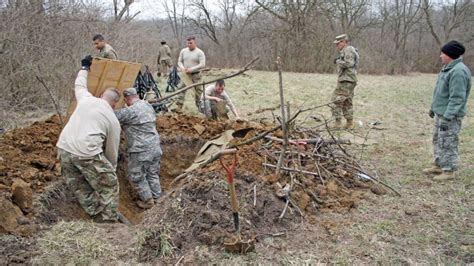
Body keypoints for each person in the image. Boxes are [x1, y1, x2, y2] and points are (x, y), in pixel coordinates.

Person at [56, 56, 127, 224]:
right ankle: (110, 223)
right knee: (110, 185)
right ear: (115, 104)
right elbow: (111, 151)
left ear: (101, 95)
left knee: (81, 187)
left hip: (63, 149)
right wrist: (110, 171)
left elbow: (79, 84)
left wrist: (84, 67)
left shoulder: (86, 98)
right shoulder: (113, 120)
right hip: (86, 152)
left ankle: (97, 217)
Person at [423, 40, 471, 181]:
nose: (440, 56)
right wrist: (434, 108)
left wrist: (448, 117)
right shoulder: (447, 68)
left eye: (443, 53)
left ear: (450, 55)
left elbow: (457, 98)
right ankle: (439, 165)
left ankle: (449, 170)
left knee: (448, 142)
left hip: (449, 116)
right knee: (438, 139)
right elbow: (441, 92)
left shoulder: (459, 72)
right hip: (441, 113)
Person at [115, 88, 163, 209]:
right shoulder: (147, 106)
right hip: (155, 147)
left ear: (126, 99)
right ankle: (158, 198)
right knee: (152, 173)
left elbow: (111, 116)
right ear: (136, 96)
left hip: (140, 149)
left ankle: (148, 201)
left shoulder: (129, 111)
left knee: (137, 175)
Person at [330, 34, 359, 129]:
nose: (337, 45)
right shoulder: (348, 50)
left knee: (336, 100)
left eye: (338, 43)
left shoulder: (348, 50)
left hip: (346, 80)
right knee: (347, 101)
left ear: (343, 42)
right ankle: (349, 123)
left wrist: (338, 61)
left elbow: (349, 63)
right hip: (350, 79)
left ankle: (338, 123)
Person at [174, 36, 206, 112]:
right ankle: (179, 106)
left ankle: (200, 108)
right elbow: (179, 61)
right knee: (181, 88)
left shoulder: (199, 52)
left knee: (198, 91)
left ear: (195, 43)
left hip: (196, 75)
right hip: (185, 74)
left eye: (191, 43)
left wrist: (192, 69)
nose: (189, 44)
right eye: (188, 43)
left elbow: (202, 64)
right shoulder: (183, 51)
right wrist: (182, 68)